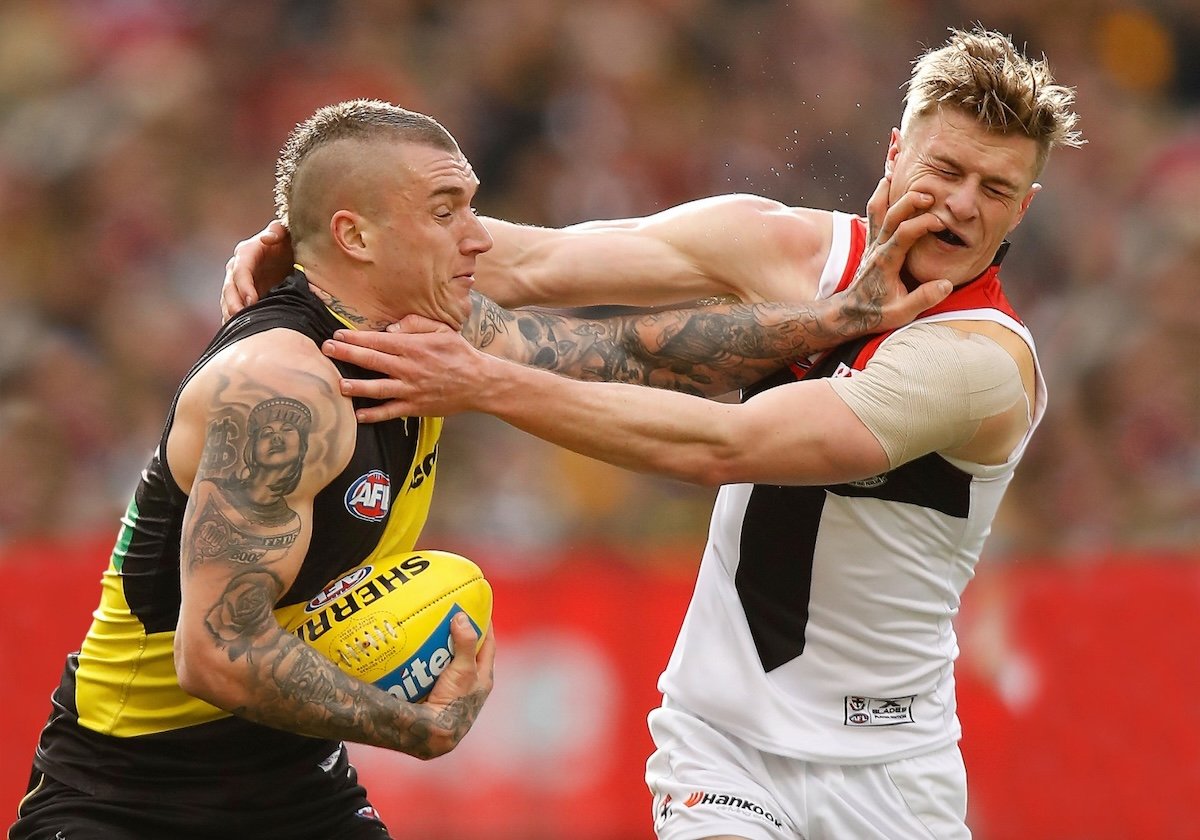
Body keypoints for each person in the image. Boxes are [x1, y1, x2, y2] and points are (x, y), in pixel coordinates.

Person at [222, 26, 1082, 840]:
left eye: (995, 189)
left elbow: (724, 446)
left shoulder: (982, 363)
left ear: (1025, 209)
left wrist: (485, 382)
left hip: (888, 770)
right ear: (896, 152)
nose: (961, 205)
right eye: (947, 169)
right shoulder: (782, 246)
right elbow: (536, 260)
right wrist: (323, 244)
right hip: (722, 746)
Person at [9, 100, 501, 840]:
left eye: (471, 207)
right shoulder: (282, 389)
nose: (481, 237)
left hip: (299, 783)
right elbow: (216, 652)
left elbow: (641, 347)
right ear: (355, 236)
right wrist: (414, 727)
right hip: (132, 794)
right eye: (445, 211)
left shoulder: (432, 342)